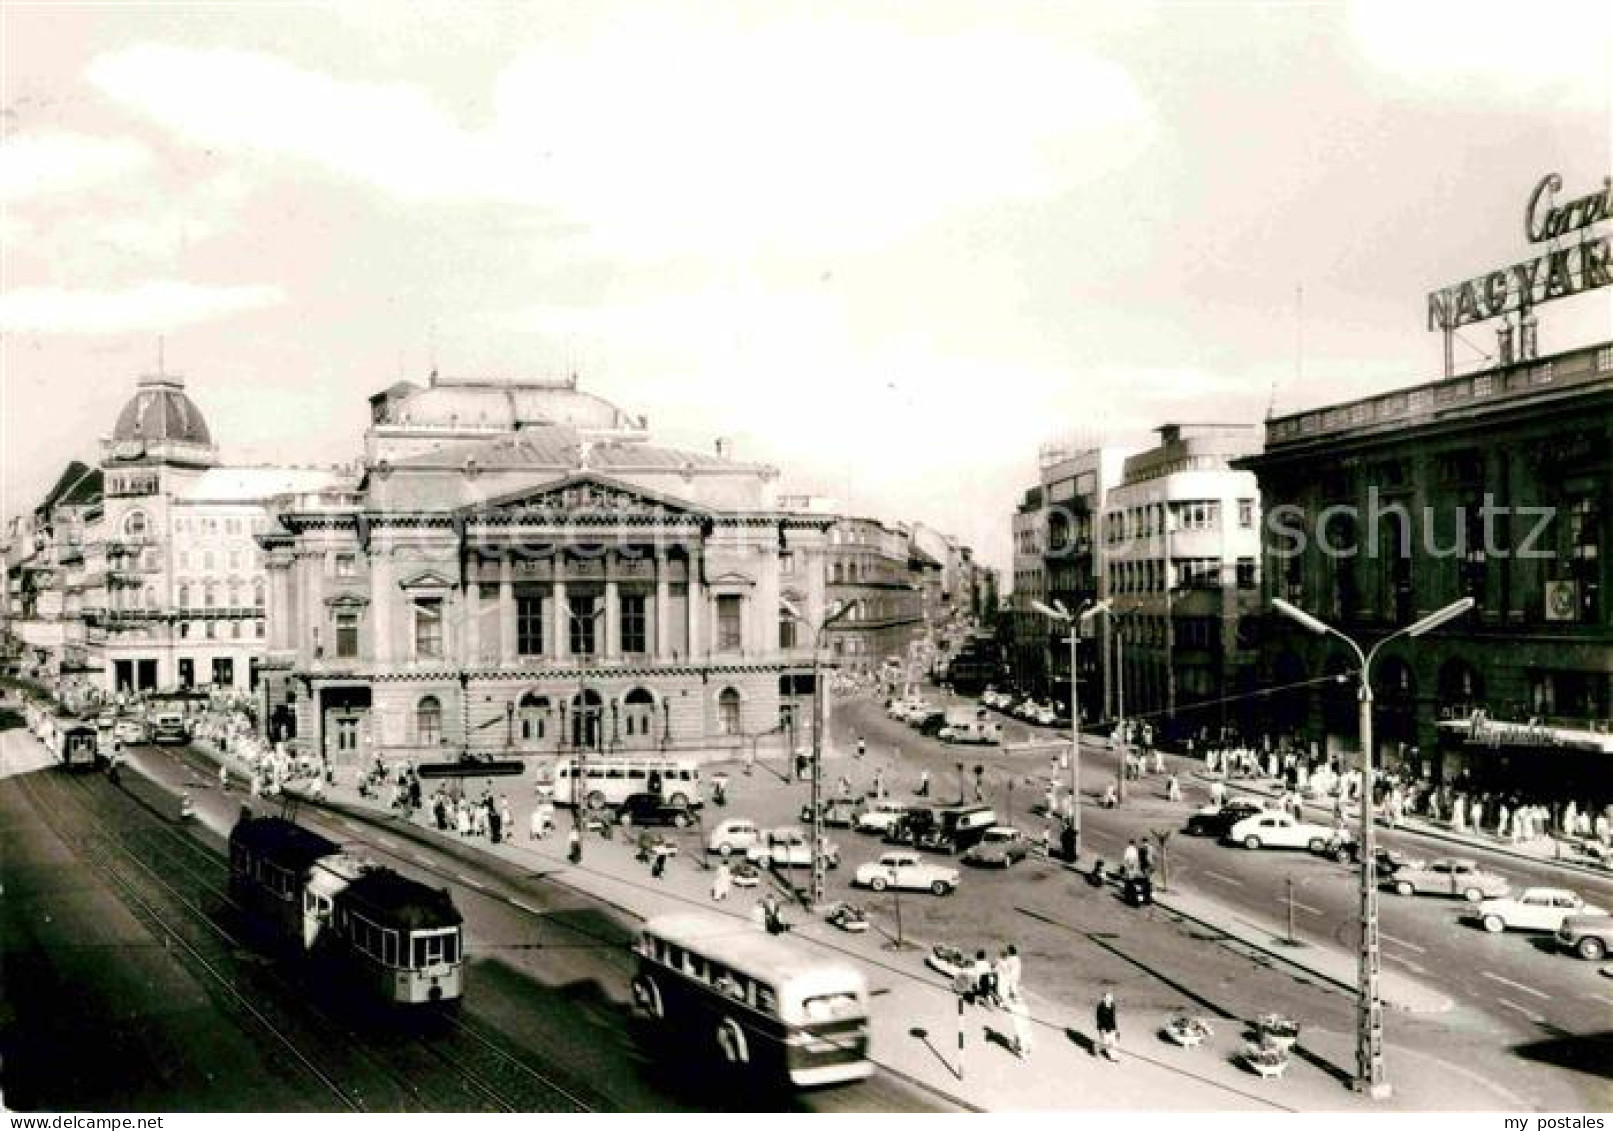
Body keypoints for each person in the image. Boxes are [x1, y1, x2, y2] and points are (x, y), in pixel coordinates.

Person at [1095, 992, 1119, 1061]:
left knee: (1113, 1041)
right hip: (1103, 1027)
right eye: (1107, 999)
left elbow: (1113, 1018)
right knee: (1105, 1042)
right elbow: (1099, 1018)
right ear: (1104, 999)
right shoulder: (1100, 1007)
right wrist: (1102, 1029)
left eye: (1110, 1000)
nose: (1109, 1001)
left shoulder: (1112, 1006)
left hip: (1111, 1026)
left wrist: (1116, 1029)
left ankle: (1114, 1057)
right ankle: (1096, 1047)